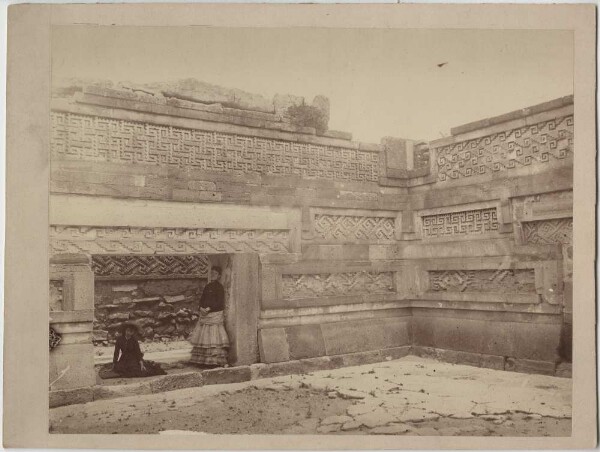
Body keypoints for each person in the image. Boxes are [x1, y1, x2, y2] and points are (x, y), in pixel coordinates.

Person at [188, 266, 230, 368]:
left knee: (213, 337)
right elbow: (202, 299)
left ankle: (214, 360)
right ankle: (202, 360)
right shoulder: (207, 286)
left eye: (215, 274)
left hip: (214, 314)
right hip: (205, 314)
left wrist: (209, 309)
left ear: (219, 276)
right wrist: (201, 307)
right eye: (211, 273)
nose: (213, 275)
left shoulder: (219, 287)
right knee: (204, 336)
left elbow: (220, 302)